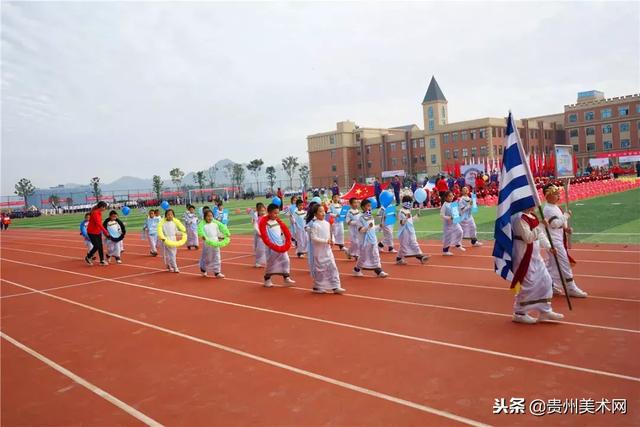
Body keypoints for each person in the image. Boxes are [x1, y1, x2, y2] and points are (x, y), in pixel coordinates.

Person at [510, 206, 564, 324]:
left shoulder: (533, 216)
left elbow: (541, 235)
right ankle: (520, 313)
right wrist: (540, 225)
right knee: (528, 284)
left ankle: (545, 311)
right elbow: (528, 238)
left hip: (536, 255)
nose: (534, 205)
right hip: (523, 255)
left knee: (546, 280)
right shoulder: (519, 218)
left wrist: (549, 247)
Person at [542, 184, 588, 298]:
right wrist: (566, 216)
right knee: (564, 264)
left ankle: (549, 286)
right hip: (554, 242)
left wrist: (566, 229)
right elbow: (554, 224)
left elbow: (558, 225)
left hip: (559, 239)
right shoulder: (547, 209)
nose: (558, 196)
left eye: (558, 194)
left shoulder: (555, 207)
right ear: (548, 196)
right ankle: (571, 287)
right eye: (555, 194)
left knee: (552, 265)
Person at [305, 204, 345, 294]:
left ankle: (336, 286)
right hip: (319, 252)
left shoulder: (327, 223)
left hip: (328, 251)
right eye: (320, 211)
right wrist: (326, 241)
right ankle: (318, 286)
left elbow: (331, 234)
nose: (323, 213)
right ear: (315, 214)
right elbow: (314, 238)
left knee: (333, 267)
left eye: (323, 211)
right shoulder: (315, 225)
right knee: (321, 269)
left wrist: (333, 240)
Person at [263, 203, 295, 287]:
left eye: (277, 213)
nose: (276, 215)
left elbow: (280, 231)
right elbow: (264, 234)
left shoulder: (277, 221)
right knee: (271, 263)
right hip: (272, 247)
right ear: (269, 212)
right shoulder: (265, 223)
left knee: (286, 260)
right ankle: (267, 279)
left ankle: (286, 277)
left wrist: (284, 239)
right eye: (274, 213)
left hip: (280, 245)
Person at [353, 199, 388, 278]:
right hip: (364, 241)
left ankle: (378, 270)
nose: (370, 208)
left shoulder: (370, 216)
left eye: (370, 206)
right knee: (364, 256)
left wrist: (379, 226)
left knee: (375, 255)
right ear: (363, 207)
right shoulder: (360, 218)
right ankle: (356, 269)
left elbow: (373, 228)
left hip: (373, 239)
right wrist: (368, 227)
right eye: (368, 206)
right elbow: (360, 230)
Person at [396, 196, 429, 265]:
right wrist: (406, 218)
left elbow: (410, 221)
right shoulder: (401, 212)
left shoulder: (408, 211)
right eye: (409, 202)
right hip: (404, 232)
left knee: (410, 243)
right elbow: (402, 223)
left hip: (410, 230)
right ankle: (420, 256)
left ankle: (399, 258)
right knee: (405, 245)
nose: (410, 204)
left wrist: (416, 216)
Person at [198, 209, 226, 278]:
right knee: (207, 258)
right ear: (205, 217)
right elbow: (201, 233)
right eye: (208, 216)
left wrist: (222, 237)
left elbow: (218, 233)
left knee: (217, 257)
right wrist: (203, 237)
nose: (210, 217)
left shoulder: (215, 224)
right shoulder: (203, 226)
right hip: (208, 244)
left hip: (216, 243)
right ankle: (203, 269)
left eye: (211, 216)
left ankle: (217, 272)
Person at [84, 201, 111, 266]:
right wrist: (106, 233)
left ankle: (102, 261)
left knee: (100, 246)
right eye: (105, 207)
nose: (105, 209)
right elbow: (99, 224)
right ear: (102, 207)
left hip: (97, 231)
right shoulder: (95, 213)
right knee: (96, 246)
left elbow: (99, 224)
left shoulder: (99, 212)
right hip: (91, 232)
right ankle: (88, 257)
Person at [440, 191, 465, 256]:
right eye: (450, 196)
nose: (451, 197)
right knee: (448, 238)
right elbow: (442, 215)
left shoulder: (453, 204)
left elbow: (456, 214)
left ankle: (457, 244)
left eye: (452, 196)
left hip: (455, 223)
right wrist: (449, 218)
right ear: (446, 197)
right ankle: (445, 251)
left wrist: (459, 215)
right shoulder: (444, 205)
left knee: (460, 232)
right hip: (448, 225)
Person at [159, 209, 184, 273]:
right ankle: (175, 267)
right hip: (167, 240)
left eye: (171, 214)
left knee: (173, 254)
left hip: (173, 240)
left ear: (173, 215)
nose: (170, 216)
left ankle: (169, 265)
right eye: (168, 214)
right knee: (172, 254)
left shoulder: (174, 223)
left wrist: (183, 233)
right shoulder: (163, 224)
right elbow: (160, 232)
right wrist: (162, 238)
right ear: (166, 216)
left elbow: (176, 232)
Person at [251, 202, 268, 268]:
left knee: (262, 248)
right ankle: (258, 261)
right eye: (261, 211)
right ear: (258, 211)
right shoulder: (257, 216)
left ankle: (260, 261)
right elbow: (255, 225)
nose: (262, 212)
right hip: (258, 234)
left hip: (265, 235)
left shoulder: (266, 216)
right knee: (257, 248)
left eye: (263, 210)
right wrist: (259, 233)